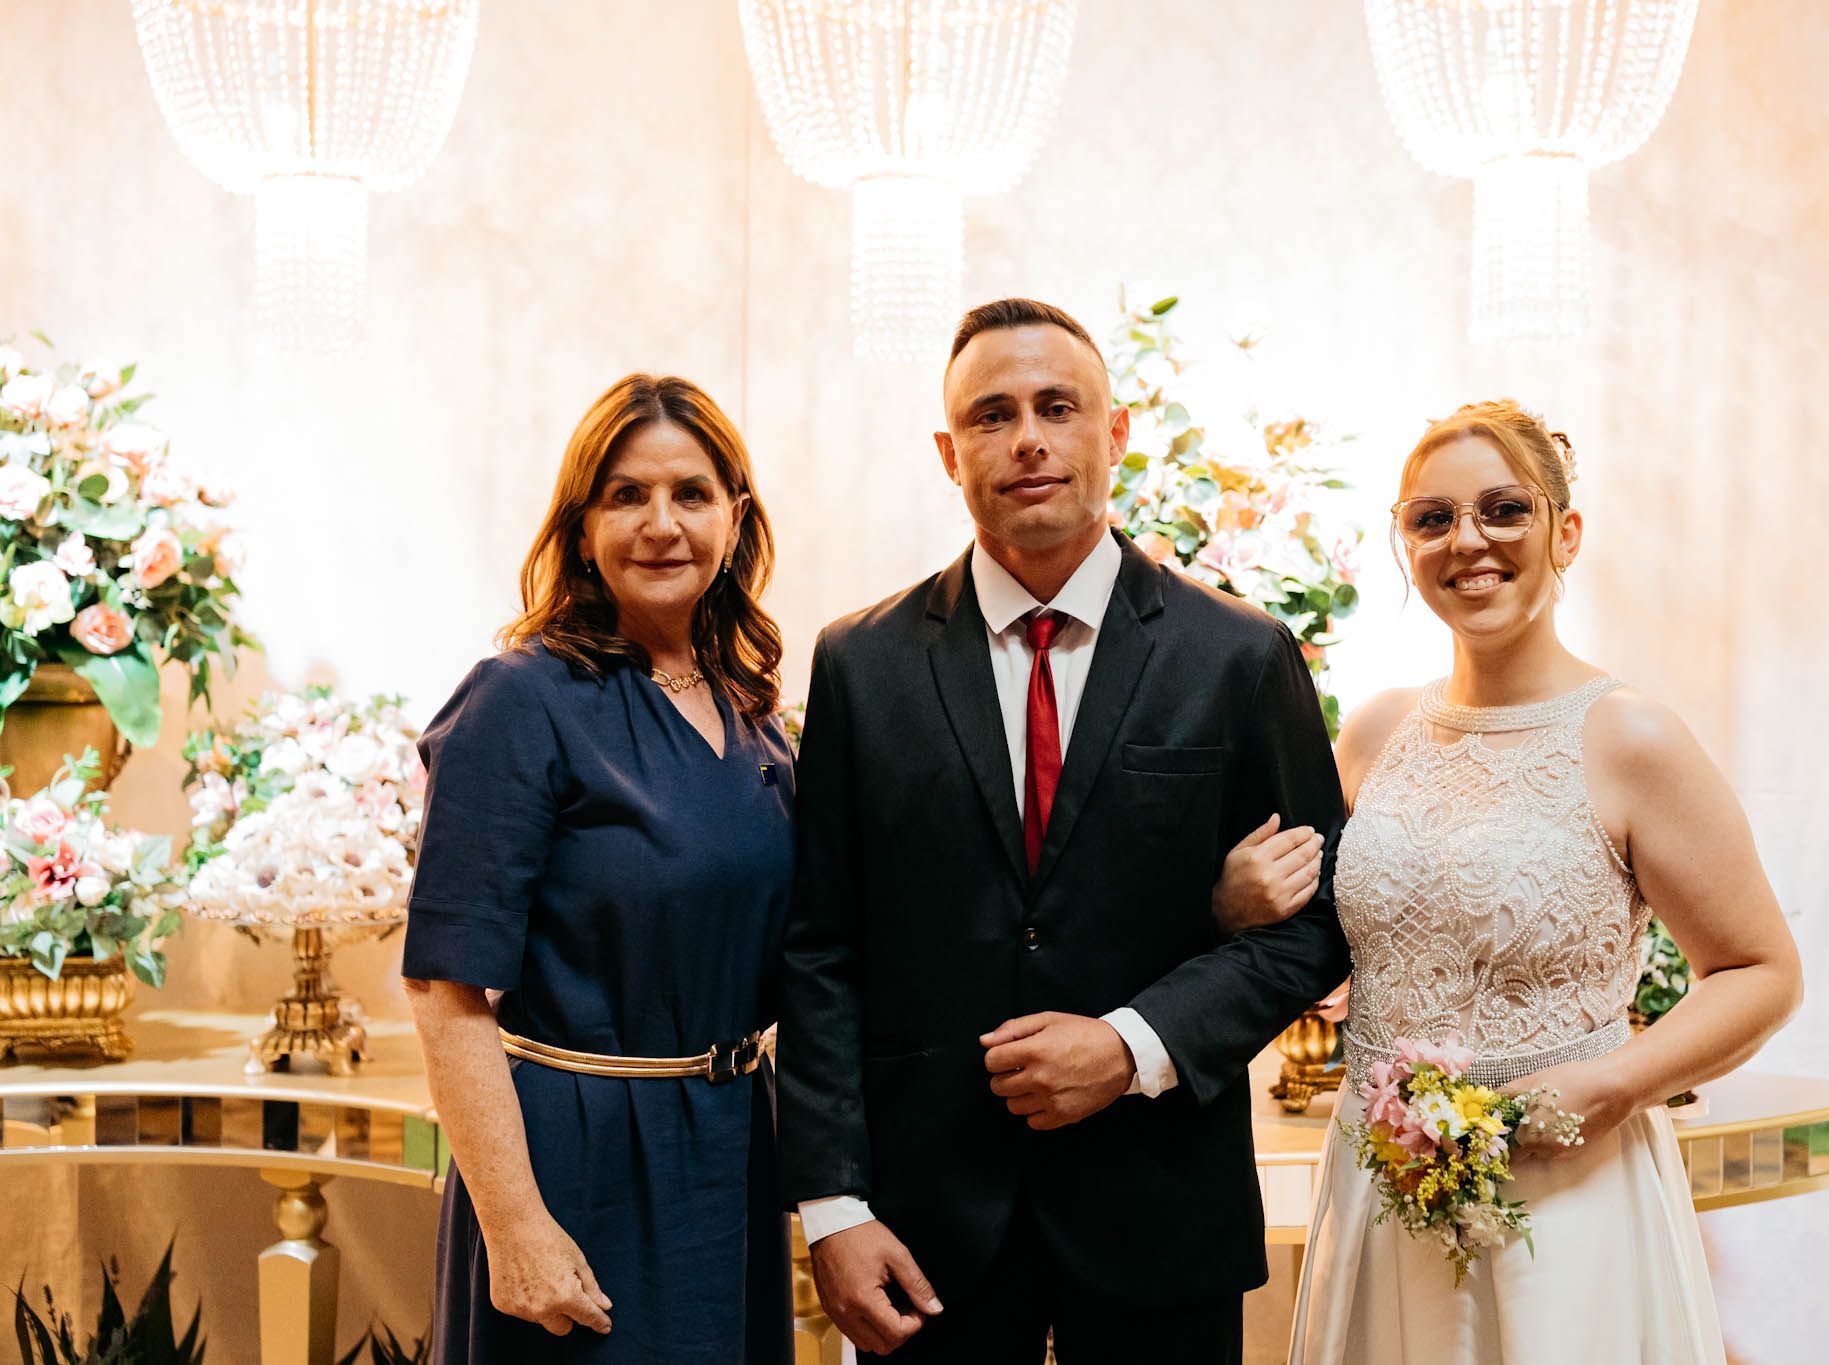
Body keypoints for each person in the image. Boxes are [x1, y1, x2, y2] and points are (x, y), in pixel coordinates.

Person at [776, 298, 1354, 1364]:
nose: (1028, 438)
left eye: (1057, 406)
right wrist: (832, 1205)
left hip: (1160, 1209)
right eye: (992, 415)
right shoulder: (861, 663)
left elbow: (1320, 922)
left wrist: (1133, 1044)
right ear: (949, 453)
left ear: (1115, 431)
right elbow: (820, 944)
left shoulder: (1237, 654)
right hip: (925, 1225)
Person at [1283, 400, 1803, 1364]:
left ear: (1565, 531)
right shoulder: (1373, 732)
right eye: (1432, 518)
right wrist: (1242, 899)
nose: (1466, 540)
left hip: (1566, 1193)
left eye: (1504, 509)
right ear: (1406, 544)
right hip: (1381, 1185)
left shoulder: (1632, 738)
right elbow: (1312, 935)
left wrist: (1615, 1083)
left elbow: (1761, 971)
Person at [401, 375, 795, 1363]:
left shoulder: (751, 713)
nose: (661, 524)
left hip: (730, 1147)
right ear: (581, 528)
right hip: (577, 1163)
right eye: (625, 496)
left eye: (691, 493)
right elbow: (444, 989)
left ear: (735, 518)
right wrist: (515, 1227)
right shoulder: (517, 700)